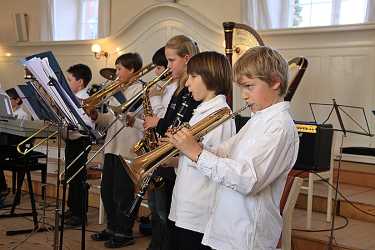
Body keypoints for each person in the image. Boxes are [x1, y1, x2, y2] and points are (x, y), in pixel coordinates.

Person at [166, 46, 300, 250]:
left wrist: (197, 153)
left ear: (275, 82)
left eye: (249, 87)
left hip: (246, 235)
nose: (244, 96)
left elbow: (249, 180)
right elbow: (225, 151)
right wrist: (193, 146)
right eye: (242, 88)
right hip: (228, 228)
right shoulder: (258, 119)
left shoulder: (279, 126)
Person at [166, 51, 236, 250]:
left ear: (210, 76)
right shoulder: (202, 111)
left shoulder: (220, 115)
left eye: (193, 77)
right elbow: (195, 157)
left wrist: (186, 149)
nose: (187, 83)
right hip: (186, 200)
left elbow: (215, 164)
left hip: (199, 207)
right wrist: (173, 159)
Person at [143, 35, 200, 250]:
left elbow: (178, 125)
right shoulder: (177, 87)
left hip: (176, 158)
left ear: (186, 58)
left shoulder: (189, 89)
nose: (168, 66)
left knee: (166, 215)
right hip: (167, 154)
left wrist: (158, 123)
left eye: (171, 60)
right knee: (160, 212)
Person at [90, 53, 143, 248]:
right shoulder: (119, 90)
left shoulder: (142, 89)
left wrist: (116, 97)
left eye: (120, 69)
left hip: (128, 149)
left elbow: (128, 116)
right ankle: (112, 228)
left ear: (132, 70)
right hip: (111, 147)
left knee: (123, 193)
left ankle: (124, 232)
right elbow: (110, 120)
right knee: (107, 191)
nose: (116, 73)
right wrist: (96, 115)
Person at [64, 64, 94, 227]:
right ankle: (73, 208)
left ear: (80, 82)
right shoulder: (75, 97)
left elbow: (88, 124)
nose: (67, 83)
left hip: (81, 140)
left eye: (69, 80)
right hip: (72, 140)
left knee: (78, 177)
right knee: (71, 175)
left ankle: (79, 214)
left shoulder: (85, 99)